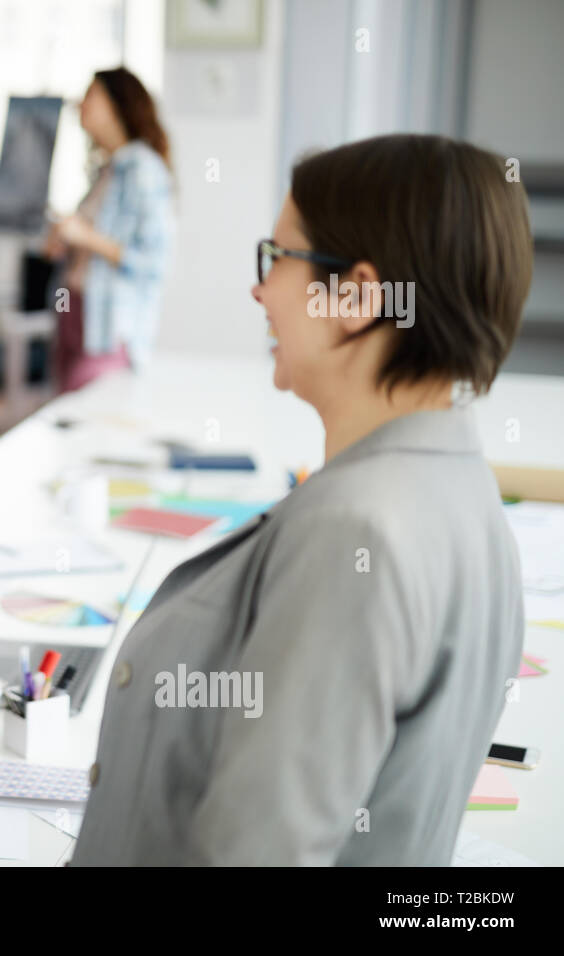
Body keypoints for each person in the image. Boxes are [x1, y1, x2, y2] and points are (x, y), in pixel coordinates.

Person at [71, 134, 532, 865]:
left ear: (355, 298)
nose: (259, 289)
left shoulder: (358, 531)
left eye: (277, 257)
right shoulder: (462, 490)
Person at [45, 67, 173, 392]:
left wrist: (85, 237)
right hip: (76, 312)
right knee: (66, 415)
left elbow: (153, 262)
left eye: (91, 95)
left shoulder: (143, 169)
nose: (79, 104)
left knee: (84, 416)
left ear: (118, 104)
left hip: (109, 327)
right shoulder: (107, 170)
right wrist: (67, 244)